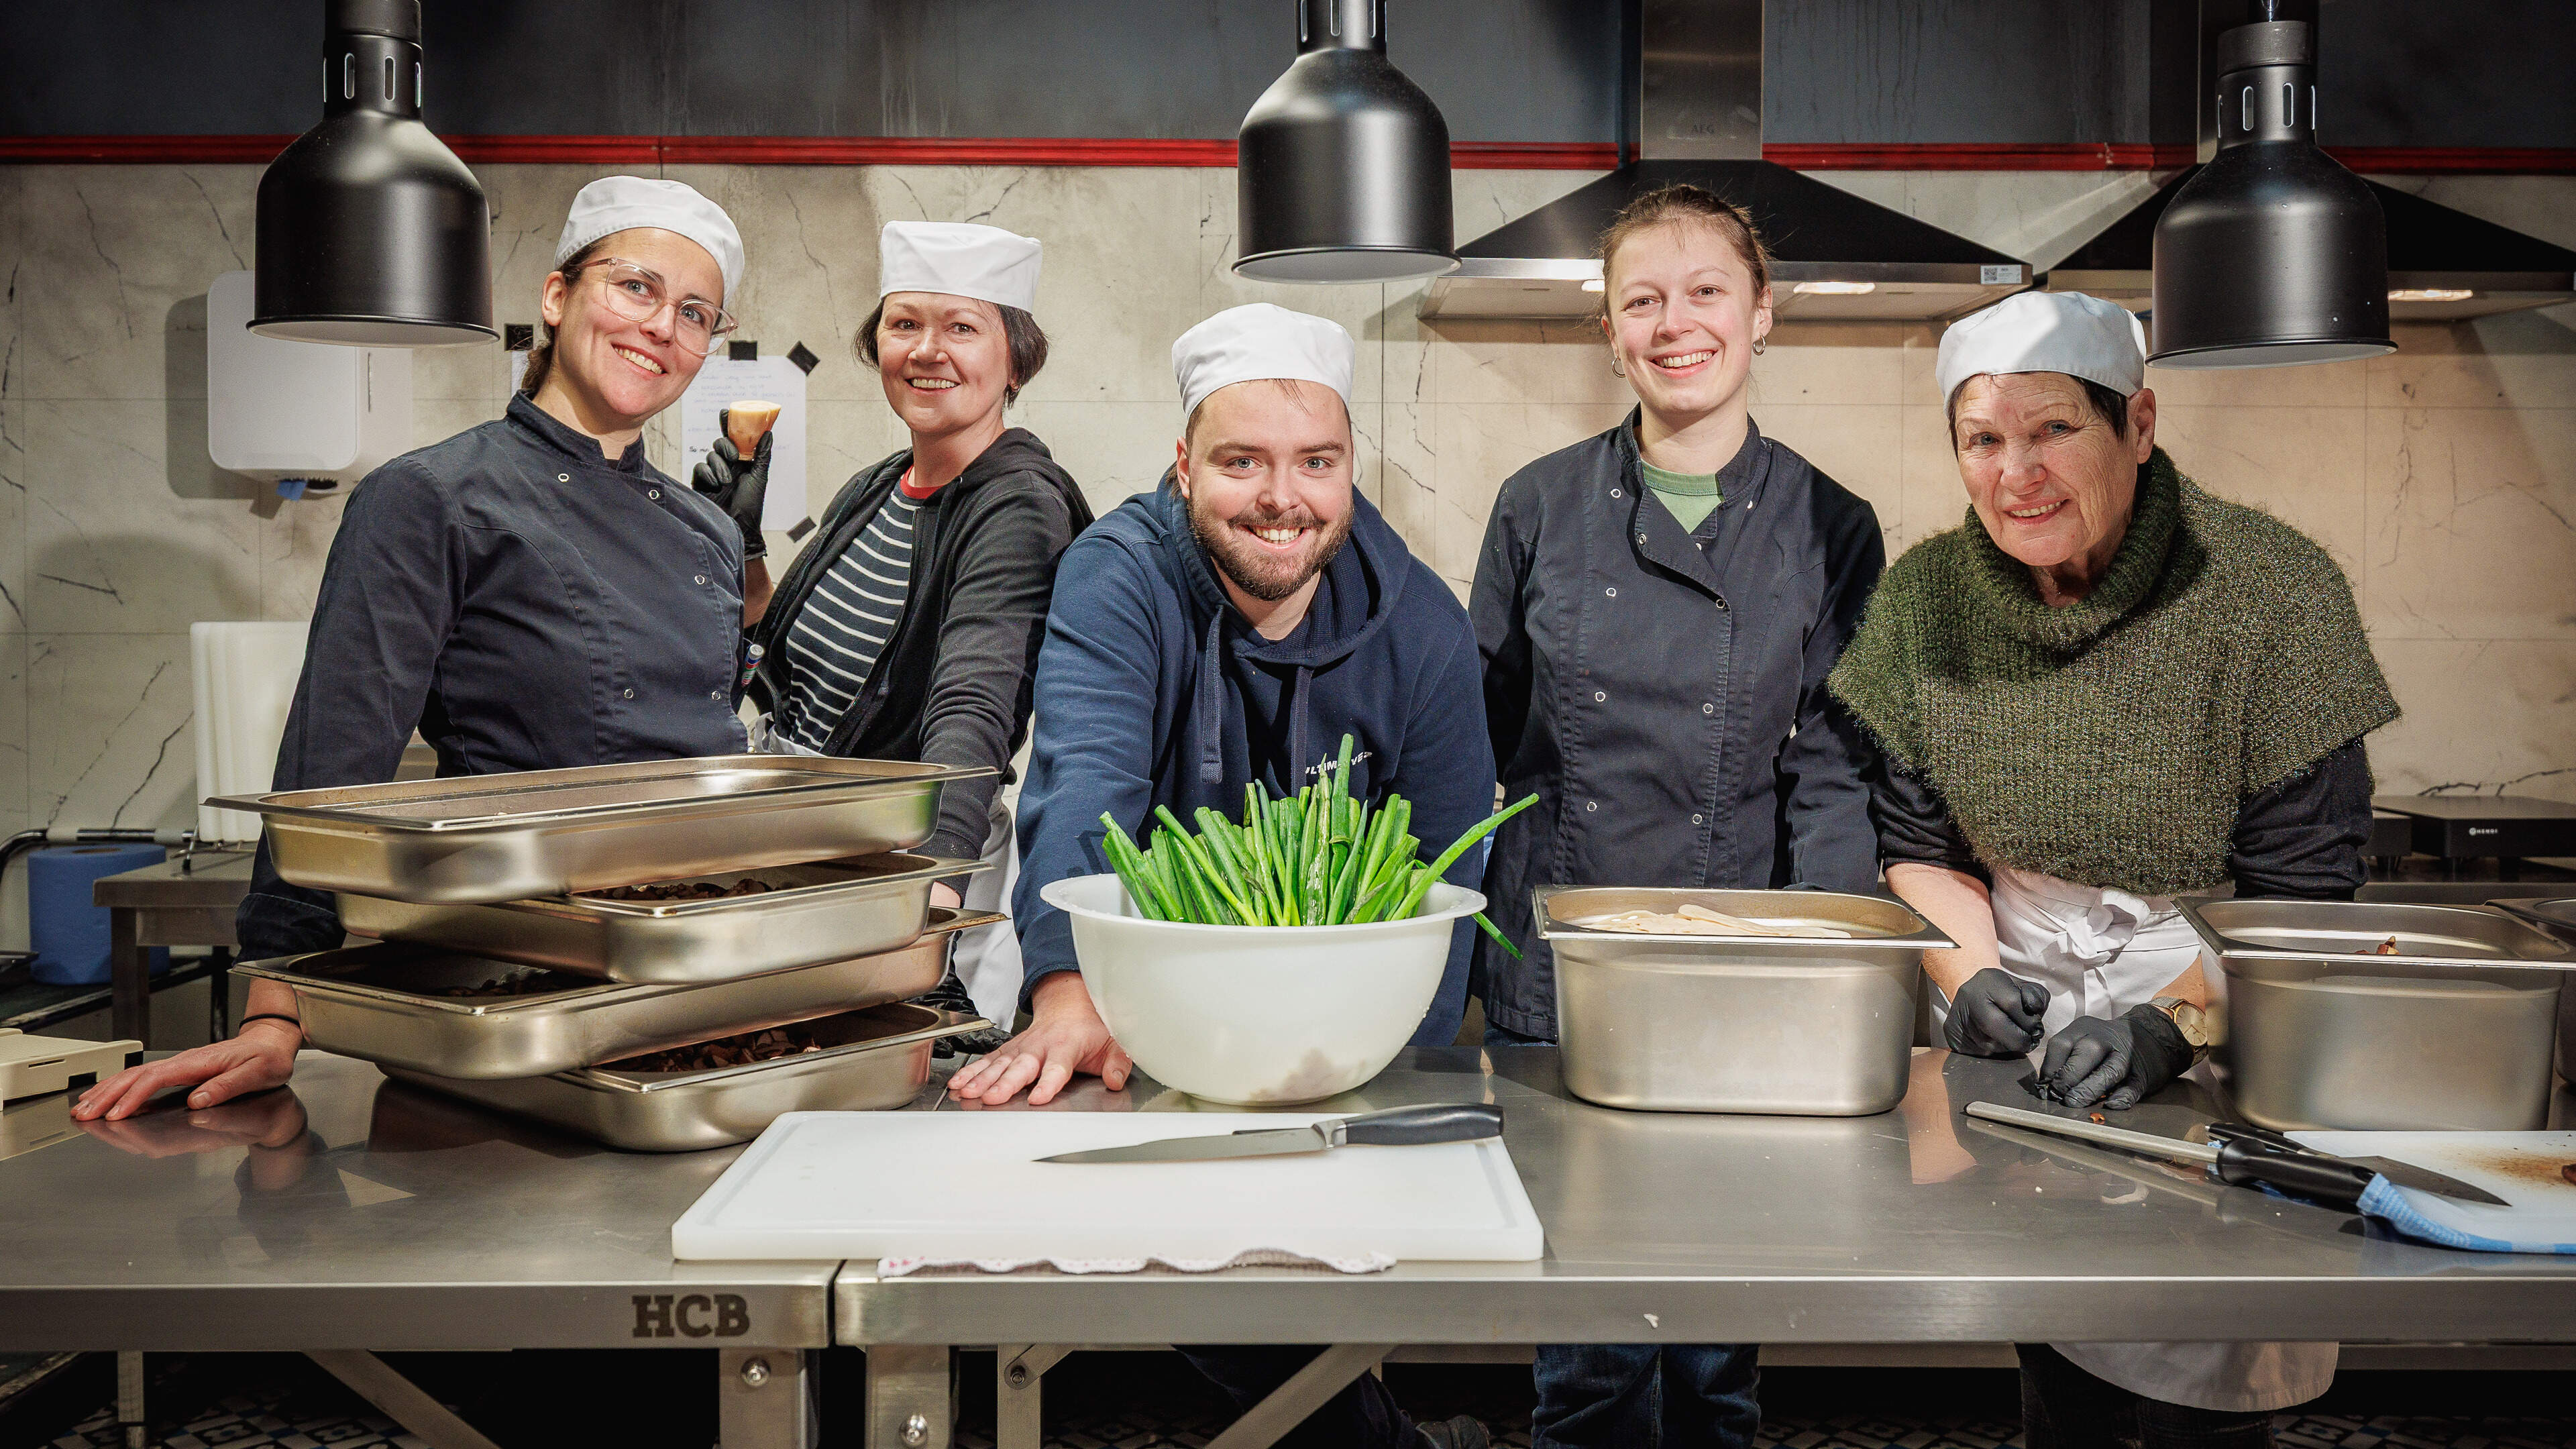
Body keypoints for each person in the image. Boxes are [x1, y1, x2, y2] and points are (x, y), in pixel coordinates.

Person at [1828, 289, 2398, 1447]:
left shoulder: (2274, 596)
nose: (2016, 474)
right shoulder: (1929, 602)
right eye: (1983, 440)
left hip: (2225, 1009)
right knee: (2053, 1335)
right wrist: (1970, 977)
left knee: (2206, 1365)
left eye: (2054, 430)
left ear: (2138, 424)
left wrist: (2167, 1028)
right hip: (2028, 1012)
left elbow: (2300, 897)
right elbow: (1917, 845)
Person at [76, 177, 753, 1122]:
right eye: (635, 287)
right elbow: (336, 755)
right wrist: (276, 1000)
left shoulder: (707, 532)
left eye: (694, 313)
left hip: (712, 982)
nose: (661, 328)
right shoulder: (431, 498)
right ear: (556, 296)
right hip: (524, 987)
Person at [951, 303, 1493, 1449]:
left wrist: (1393, 1058)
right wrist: (1070, 989)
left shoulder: (1423, 627)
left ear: (1351, 469)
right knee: (1168, 1248)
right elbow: (1085, 781)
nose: (1281, 498)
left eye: (1316, 463)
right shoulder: (1120, 575)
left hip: (1336, 1026)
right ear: (1184, 465)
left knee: (1315, 1258)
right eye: (1242, 461)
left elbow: (1447, 866)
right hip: (1143, 996)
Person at [1470, 183, 1885, 1448]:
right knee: (1588, 1349)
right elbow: (1479, 738)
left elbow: (1835, 767)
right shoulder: (1539, 504)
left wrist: (1837, 966)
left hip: (1738, 974)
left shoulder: (1831, 525)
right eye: (1641, 300)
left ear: (1763, 314)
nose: (1674, 323)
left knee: (1713, 1351)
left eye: (1707, 291)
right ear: (1609, 331)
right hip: (1563, 969)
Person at [693, 221, 1093, 1034]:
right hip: (806, 854)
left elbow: (973, 711)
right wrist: (740, 543)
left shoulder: (1016, 506)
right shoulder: (881, 486)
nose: (927, 350)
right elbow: (788, 666)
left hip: (898, 873)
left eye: (962, 328)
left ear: (1016, 360)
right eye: (905, 323)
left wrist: (923, 925)